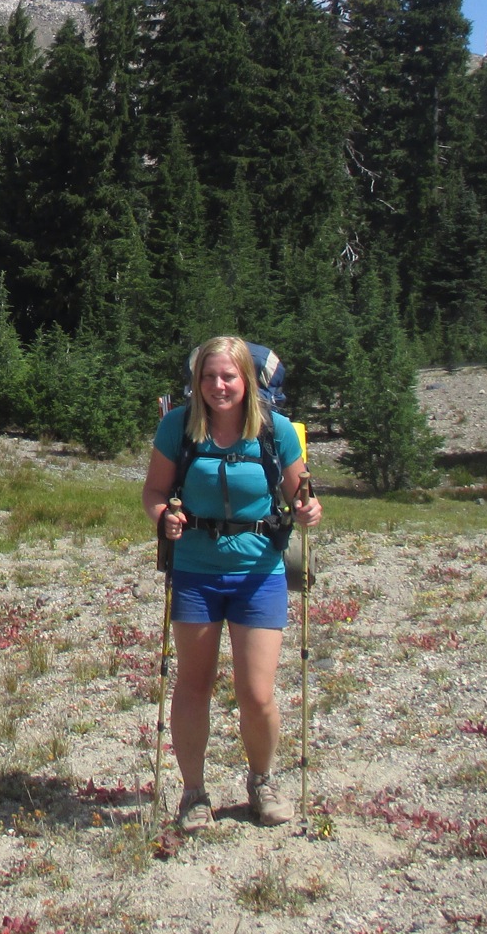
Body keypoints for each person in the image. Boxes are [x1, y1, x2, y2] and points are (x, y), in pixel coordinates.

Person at [141, 335, 322, 830]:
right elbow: (155, 491)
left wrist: (309, 509)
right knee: (193, 685)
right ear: (196, 383)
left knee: (257, 693)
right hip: (196, 572)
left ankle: (262, 781)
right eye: (208, 376)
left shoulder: (275, 431)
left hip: (258, 573)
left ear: (247, 380)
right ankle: (193, 794)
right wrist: (163, 518)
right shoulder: (178, 428)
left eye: (228, 376)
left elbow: (301, 494)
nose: (218, 386)